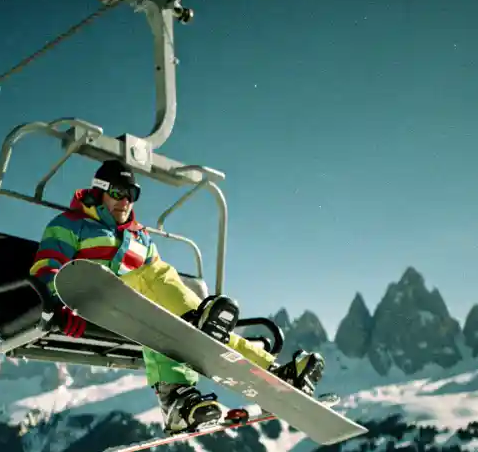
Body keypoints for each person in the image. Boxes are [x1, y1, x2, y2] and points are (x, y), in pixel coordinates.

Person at [29, 159, 325, 434]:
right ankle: (187, 357)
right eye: (119, 192)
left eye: (132, 194)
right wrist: (58, 303)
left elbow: (161, 284)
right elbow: (47, 267)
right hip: (90, 302)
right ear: (100, 191)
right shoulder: (70, 224)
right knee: (154, 286)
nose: (125, 201)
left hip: (135, 308)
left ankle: (271, 373)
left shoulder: (140, 236)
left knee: (189, 323)